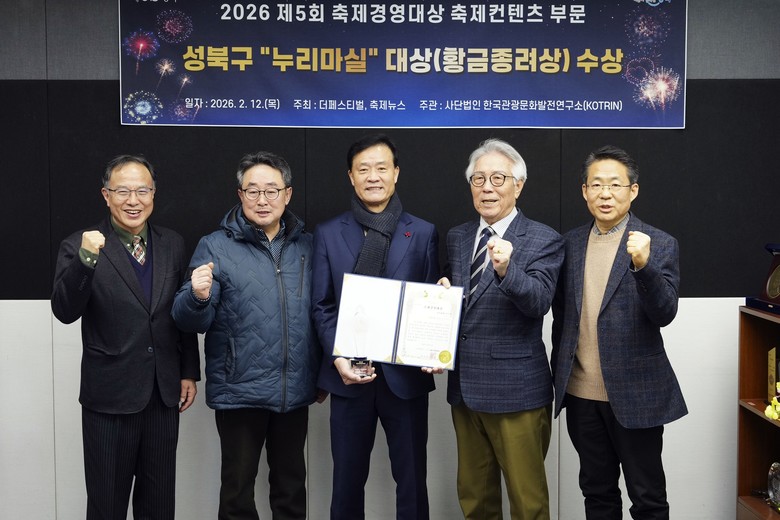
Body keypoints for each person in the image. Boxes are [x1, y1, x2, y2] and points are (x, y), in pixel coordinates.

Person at [171, 151, 322, 520]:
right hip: (239, 389)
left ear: (287, 194)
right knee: (237, 493)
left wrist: (322, 373)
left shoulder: (308, 246)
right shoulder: (214, 246)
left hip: (294, 388)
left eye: (272, 190)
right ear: (240, 195)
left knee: (291, 489)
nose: (262, 200)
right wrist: (197, 296)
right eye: (252, 191)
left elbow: (323, 312)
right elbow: (188, 320)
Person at [51, 154, 200, 520]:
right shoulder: (80, 245)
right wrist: (86, 259)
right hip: (109, 398)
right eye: (122, 191)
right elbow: (65, 311)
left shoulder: (172, 244)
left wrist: (188, 371)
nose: (133, 200)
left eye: (142, 191)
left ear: (153, 194)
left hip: (162, 395)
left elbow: (179, 314)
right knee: (106, 505)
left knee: (159, 505)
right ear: (106, 195)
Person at [551, 145, 687, 520]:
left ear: (633, 190)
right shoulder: (569, 244)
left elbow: (665, 313)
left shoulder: (658, 243)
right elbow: (561, 317)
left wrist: (644, 266)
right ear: (584, 191)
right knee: (597, 495)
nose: (605, 194)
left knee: (648, 499)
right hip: (581, 395)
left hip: (637, 396)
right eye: (596, 185)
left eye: (615, 184)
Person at [311, 134, 439, 520]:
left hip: (405, 378)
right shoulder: (328, 233)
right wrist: (338, 357)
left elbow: (430, 302)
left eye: (381, 168)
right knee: (346, 484)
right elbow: (322, 305)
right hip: (349, 376)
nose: (373, 177)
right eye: (363, 169)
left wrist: (434, 342)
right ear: (351, 176)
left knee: (412, 482)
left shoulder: (423, 232)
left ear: (396, 173)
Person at [438, 138, 564, 520]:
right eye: (478, 179)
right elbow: (462, 306)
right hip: (465, 391)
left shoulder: (543, 238)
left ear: (518, 185)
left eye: (498, 178)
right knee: (475, 500)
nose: (487, 188)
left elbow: (539, 302)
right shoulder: (459, 237)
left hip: (517, 394)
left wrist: (508, 271)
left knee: (528, 504)